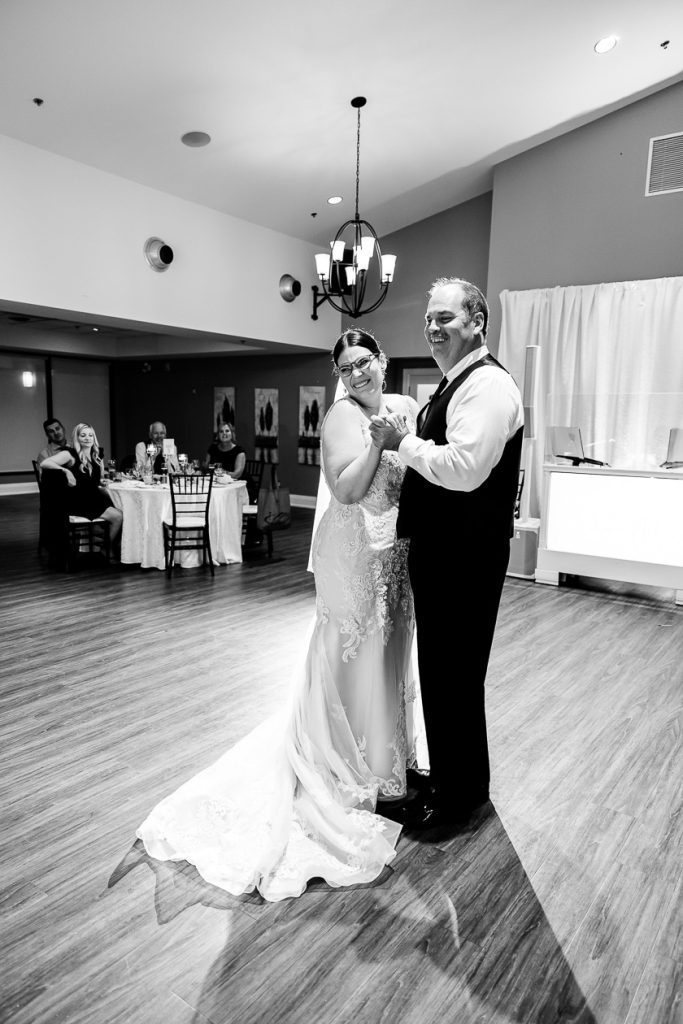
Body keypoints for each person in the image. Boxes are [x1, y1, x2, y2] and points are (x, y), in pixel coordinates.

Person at [137, 328, 421, 901]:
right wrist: (378, 444)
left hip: (395, 553)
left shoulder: (407, 406)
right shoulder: (341, 418)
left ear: (382, 360)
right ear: (339, 376)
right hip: (352, 552)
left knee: (388, 653)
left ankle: (384, 762)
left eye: (364, 361)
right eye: (347, 368)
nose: (358, 373)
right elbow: (346, 491)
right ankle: (344, 766)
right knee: (351, 653)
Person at [369, 277, 524, 831]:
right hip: (449, 551)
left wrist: (401, 444)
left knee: (453, 674)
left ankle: (455, 800)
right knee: (447, 674)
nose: (433, 328)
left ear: (477, 322)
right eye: (428, 319)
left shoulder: (487, 385)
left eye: (446, 318)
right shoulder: (457, 381)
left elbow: (464, 469)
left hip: (465, 555)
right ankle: (462, 781)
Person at [40, 422, 123, 550]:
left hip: (92, 498)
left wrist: (103, 481)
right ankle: (105, 549)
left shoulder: (96, 457)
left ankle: (103, 544)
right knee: (118, 517)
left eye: (90, 435)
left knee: (120, 509)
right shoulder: (69, 454)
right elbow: (45, 463)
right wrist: (66, 471)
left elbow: (97, 479)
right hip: (78, 501)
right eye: (83, 435)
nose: (87, 438)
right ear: (77, 438)